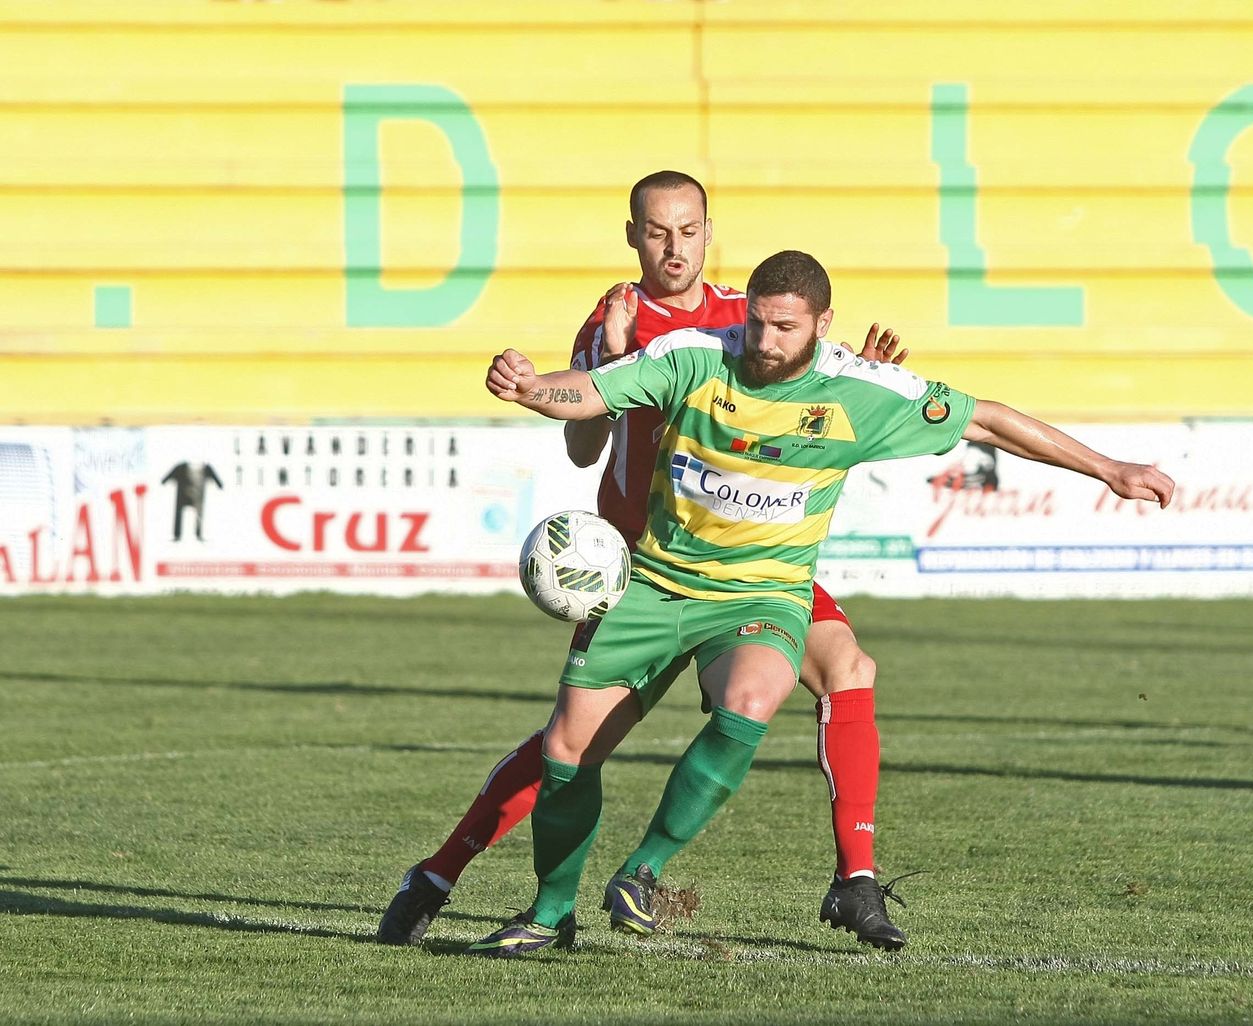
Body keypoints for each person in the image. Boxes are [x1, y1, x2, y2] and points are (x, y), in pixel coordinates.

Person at [464, 249, 1175, 957]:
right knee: (567, 747)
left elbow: (986, 421)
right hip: (655, 580)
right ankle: (550, 915)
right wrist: (531, 388)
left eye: (784, 328)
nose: (764, 342)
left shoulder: (858, 391)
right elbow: (591, 392)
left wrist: (1109, 468)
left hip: (763, 593)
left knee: (751, 699)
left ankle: (643, 870)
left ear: (822, 324)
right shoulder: (696, 355)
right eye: (756, 323)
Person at [378, 171, 915, 950]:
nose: (675, 247)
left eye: (688, 230)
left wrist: (855, 372)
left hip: (743, 559)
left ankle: (855, 879)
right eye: (658, 232)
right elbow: (582, 444)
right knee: (573, 743)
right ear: (633, 235)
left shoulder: (746, 313)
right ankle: (439, 874)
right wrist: (613, 359)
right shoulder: (614, 316)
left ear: (709, 231)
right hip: (642, 562)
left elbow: (809, 394)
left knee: (849, 667)